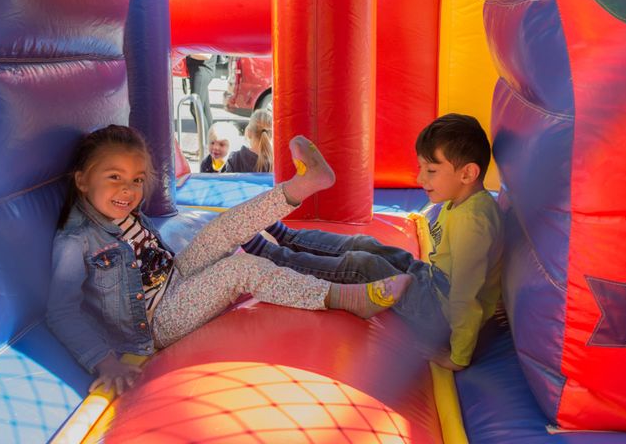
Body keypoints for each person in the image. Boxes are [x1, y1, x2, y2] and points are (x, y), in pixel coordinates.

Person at [47, 125, 411, 395]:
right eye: (114, 178)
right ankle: (345, 297)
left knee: (222, 228)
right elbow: (61, 311)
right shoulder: (76, 241)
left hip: (175, 276)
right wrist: (104, 361)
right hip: (158, 319)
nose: (128, 190)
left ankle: (302, 185)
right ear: (82, 180)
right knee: (240, 268)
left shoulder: (120, 211)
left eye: (137, 180)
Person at [243, 113, 503, 370]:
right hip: (432, 282)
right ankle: (289, 237)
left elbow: (465, 298)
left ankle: (273, 256)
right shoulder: (462, 201)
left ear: (467, 174)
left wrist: (458, 357)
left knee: (363, 265)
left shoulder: (474, 224)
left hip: (440, 317)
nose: (420, 179)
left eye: (431, 170)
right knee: (367, 245)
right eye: (421, 168)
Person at [185, 54, 215, 130]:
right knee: (204, 109)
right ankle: (211, 139)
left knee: (195, 108)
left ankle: (205, 140)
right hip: (199, 70)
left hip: (201, 70)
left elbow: (206, 55)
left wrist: (185, 53)